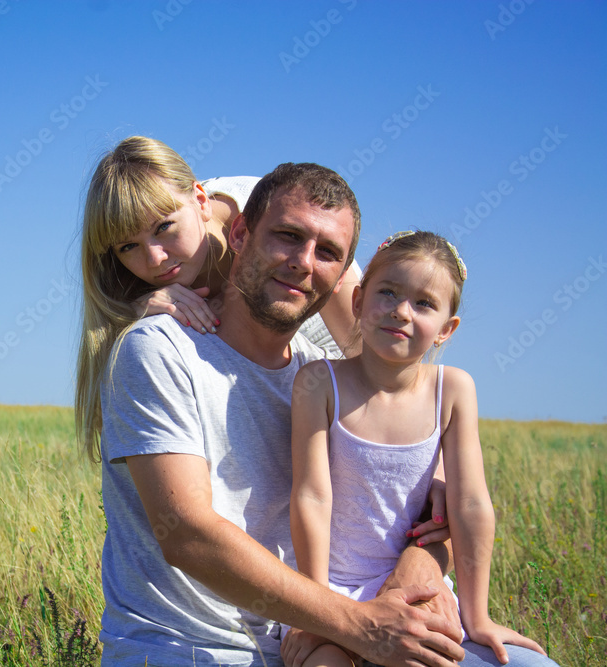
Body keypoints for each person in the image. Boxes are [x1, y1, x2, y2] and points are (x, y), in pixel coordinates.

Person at [92, 161, 469, 666]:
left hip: (329, 636)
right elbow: (184, 533)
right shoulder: (156, 349)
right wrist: (361, 626)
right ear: (241, 233)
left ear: (342, 279)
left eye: (328, 253)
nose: (303, 263)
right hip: (196, 650)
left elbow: (413, 500)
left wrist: (422, 564)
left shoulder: (326, 381)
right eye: (288, 236)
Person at [285, 231, 551, 667]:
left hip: (417, 594)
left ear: (447, 329)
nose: (401, 311)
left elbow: (470, 503)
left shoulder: (453, 389)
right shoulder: (319, 383)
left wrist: (477, 615)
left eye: (424, 303)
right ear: (357, 302)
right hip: (329, 591)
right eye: (387, 292)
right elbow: (311, 496)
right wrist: (315, 610)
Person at [76, 137, 359, 464]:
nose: (154, 259)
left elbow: (367, 342)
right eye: (128, 247)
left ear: (200, 199)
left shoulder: (275, 209)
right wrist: (133, 309)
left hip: (327, 358)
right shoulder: (138, 303)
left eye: (165, 227)